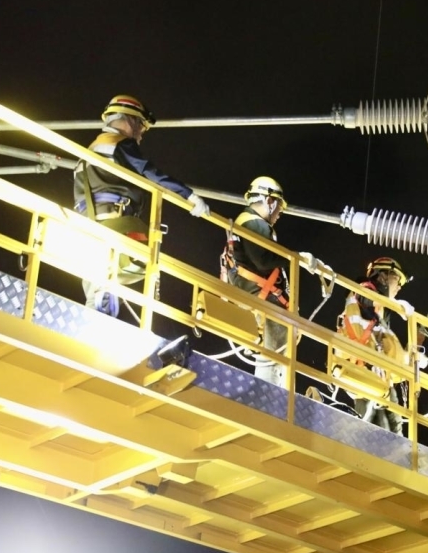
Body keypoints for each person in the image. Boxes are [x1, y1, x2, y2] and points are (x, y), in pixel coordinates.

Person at [73, 94, 209, 316]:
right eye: (141, 126)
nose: (141, 134)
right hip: (112, 225)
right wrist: (189, 196)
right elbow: (151, 173)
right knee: (103, 295)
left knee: (96, 290)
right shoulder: (118, 144)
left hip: (85, 227)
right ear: (129, 119)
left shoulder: (89, 150)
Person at [337, 257, 423, 435]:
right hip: (364, 373)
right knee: (374, 435)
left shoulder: (377, 311)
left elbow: (387, 346)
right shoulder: (364, 291)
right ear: (383, 277)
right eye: (397, 280)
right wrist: (396, 305)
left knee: (389, 434)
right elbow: (367, 300)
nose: (399, 287)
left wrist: (411, 360)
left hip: (373, 378)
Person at [221, 176, 293, 388]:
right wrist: (294, 258)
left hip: (250, 293)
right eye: (279, 206)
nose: (280, 213)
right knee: (276, 349)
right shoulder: (256, 223)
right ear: (269, 201)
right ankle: (269, 391)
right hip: (261, 297)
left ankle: (268, 387)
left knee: (271, 350)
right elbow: (262, 260)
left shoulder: (244, 221)